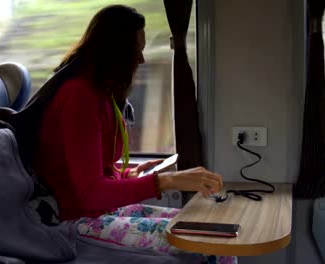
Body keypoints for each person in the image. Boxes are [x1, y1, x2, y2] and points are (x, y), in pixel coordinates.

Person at [0, 25, 188, 264]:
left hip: (55, 228)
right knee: (185, 252)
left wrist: (125, 177)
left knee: (192, 232)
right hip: (37, 245)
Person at [34, 5, 237, 263]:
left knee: (210, 229)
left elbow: (93, 171)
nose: (141, 59)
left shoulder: (102, 95)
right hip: (78, 219)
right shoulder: (79, 97)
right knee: (211, 245)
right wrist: (168, 181)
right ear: (114, 52)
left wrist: (129, 174)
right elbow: (89, 193)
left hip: (102, 210)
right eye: (136, 50)